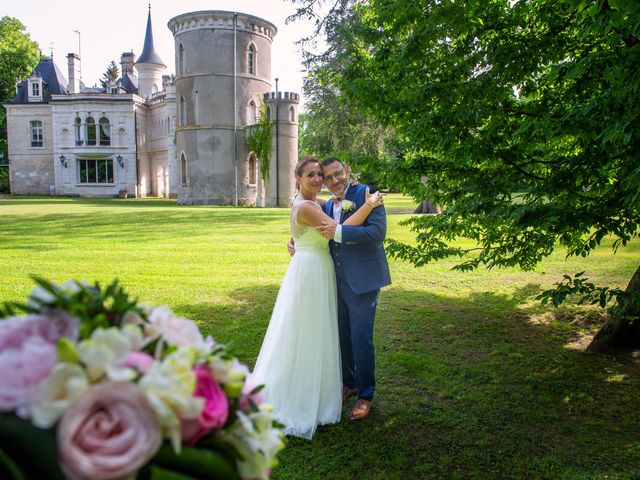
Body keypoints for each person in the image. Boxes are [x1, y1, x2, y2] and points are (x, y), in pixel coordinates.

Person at [252, 156, 384, 439]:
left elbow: (365, 229)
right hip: (316, 273)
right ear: (298, 178)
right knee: (320, 332)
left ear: (345, 172)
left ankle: (363, 393)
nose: (321, 180)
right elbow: (328, 230)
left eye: (321, 175)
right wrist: (369, 206)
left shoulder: (347, 197)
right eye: (313, 175)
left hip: (339, 275)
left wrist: (369, 203)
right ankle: (334, 385)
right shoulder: (313, 206)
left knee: (352, 336)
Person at [312, 157, 391, 421]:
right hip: (336, 279)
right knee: (342, 335)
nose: (335, 181)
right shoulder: (325, 204)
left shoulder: (368, 194)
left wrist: (340, 233)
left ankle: (365, 395)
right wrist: (294, 244)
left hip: (363, 280)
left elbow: (377, 233)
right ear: (323, 180)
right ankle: (349, 383)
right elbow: (317, 232)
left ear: (346, 171)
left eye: (338, 174)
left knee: (360, 338)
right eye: (328, 177)